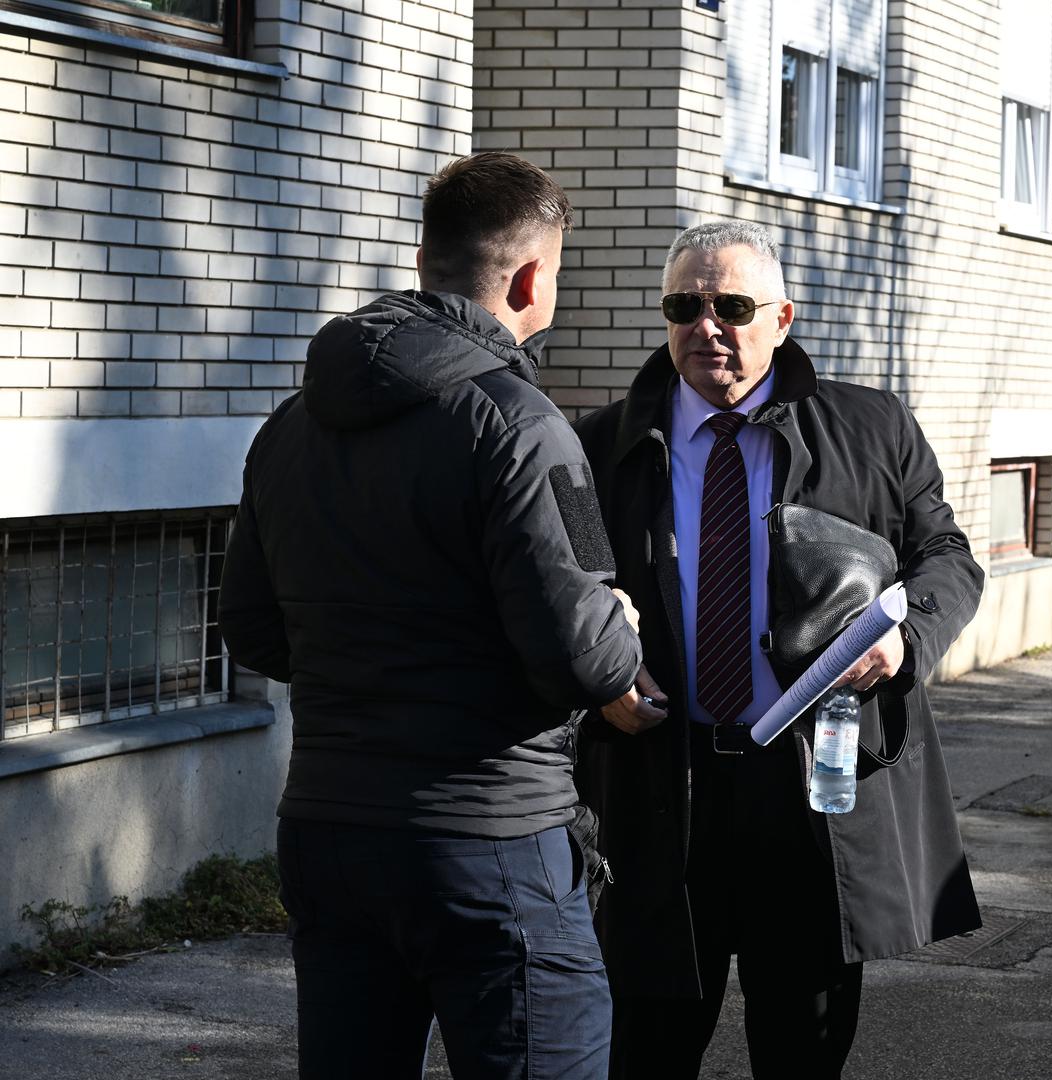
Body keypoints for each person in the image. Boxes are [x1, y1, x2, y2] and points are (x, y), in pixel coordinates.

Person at [219, 152, 665, 1080]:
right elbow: (583, 656)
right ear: (533, 277)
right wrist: (617, 628)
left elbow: (255, 634)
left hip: (330, 836)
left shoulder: (290, 426)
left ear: (427, 258)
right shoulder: (524, 424)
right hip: (491, 846)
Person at [571, 219, 985, 1079]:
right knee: (643, 1047)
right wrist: (597, 677)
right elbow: (559, 592)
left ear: (783, 317)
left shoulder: (871, 429)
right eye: (683, 305)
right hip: (658, 788)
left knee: (802, 1044)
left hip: (809, 787)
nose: (705, 325)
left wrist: (906, 642)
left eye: (731, 305)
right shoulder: (596, 445)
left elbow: (946, 558)